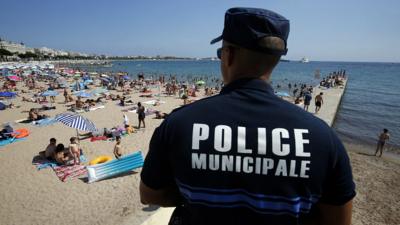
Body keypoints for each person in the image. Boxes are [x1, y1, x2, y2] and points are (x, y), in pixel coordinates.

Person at [139, 7, 355, 225]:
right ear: (276, 60)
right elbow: (339, 219)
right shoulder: (322, 138)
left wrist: (191, 196)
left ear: (228, 55)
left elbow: (149, 195)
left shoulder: (178, 124)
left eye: (220, 53)